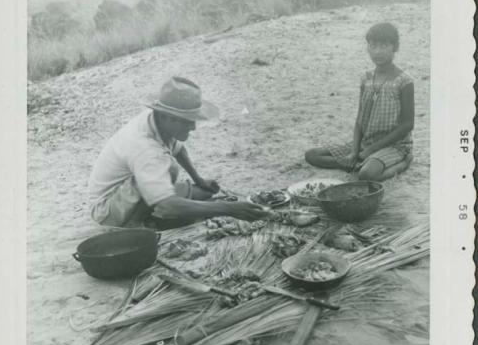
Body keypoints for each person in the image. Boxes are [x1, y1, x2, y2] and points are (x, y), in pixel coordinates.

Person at [88, 76, 268, 228]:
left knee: (205, 194)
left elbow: (179, 150)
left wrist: (198, 180)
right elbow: (168, 206)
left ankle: (154, 207)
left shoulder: (157, 120)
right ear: (166, 116)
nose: (193, 127)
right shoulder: (145, 148)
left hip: (131, 191)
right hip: (108, 210)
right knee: (177, 196)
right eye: (187, 121)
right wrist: (228, 209)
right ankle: (142, 223)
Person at [305, 22, 415, 181]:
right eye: (373, 46)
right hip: (366, 142)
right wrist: (354, 151)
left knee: (367, 174)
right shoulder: (366, 79)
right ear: (367, 48)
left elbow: (407, 125)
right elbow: (360, 119)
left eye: (384, 46)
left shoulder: (404, 81)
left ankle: (404, 163)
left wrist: (371, 150)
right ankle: (352, 164)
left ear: (395, 47)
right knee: (312, 155)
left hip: (394, 146)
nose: (377, 51)